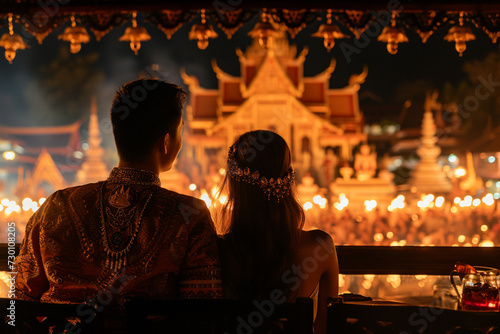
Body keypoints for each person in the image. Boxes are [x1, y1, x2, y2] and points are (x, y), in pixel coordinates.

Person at [14, 79, 222, 304]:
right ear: (166, 142)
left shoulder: (57, 205)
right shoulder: (189, 214)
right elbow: (203, 312)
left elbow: (20, 300)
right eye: (180, 132)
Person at [217, 130, 339, 334]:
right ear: (289, 179)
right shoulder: (320, 247)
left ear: (234, 185)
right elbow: (326, 329)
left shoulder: (217, 249)